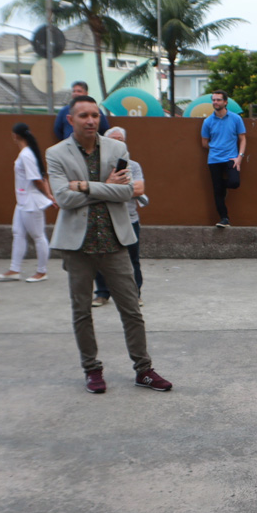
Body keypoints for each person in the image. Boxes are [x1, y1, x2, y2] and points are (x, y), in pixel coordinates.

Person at [47, 96, 172, 394]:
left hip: (115, 242)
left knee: (131, 310)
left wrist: (85, 186)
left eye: (94, 115)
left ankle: (144, 369)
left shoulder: (118, 148)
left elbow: (128, 190)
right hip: (78, 247)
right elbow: (63, 199)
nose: (90, 120)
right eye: (83, 116)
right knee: (81, 312)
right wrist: (106, 186)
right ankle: (92, 369)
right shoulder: (55, 154)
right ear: (70, 119)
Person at [92, 126, 147, 307]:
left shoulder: (134, 166)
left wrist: (109, 188)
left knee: (132, 260)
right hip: (104, 219)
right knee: (101, 258)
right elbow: (95, 191)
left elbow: (139, 189)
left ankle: (134, 294)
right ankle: (102, 293)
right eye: (114, 139)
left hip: (129, 220)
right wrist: (119, 188)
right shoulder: (98, 166)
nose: (117, 142)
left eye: (121, 139)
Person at [0, 123, 55, 283]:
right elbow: (42, 176)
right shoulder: (27, 153)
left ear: (15, 135)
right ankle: (15, 269)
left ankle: (42, 271)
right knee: (18, 233)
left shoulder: (26, 155)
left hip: (31, 202)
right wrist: (49, 194)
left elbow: (37, 180)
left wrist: (48, 195)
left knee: (38, 235)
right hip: (22, 202)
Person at [200, 90, 246, 228]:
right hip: (214, 159)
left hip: (231, 158)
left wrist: (240, 157)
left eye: (218, 100)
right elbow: (204, 142)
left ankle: (222, 186)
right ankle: (224, 218)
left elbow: (242, 139)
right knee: (217, 192)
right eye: (214, 100)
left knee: (234, 182)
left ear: (225, 102)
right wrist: (216, 148)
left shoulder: (236, 119)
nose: (215, 102)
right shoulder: (207, 121)